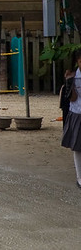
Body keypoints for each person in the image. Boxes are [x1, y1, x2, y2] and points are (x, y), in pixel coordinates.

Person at [60, 48, 81, 189]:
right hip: (77, 112)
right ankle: (79, 177)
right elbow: (71, 98)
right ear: (77, 62)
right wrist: (69, 82)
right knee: (77, 146)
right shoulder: (73, 77)